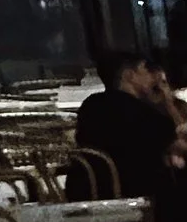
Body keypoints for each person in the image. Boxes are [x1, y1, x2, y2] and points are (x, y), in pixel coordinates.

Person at [73, 48, 179, 199]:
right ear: (130, 76)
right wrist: (167, 101)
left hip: (89, 189)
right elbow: (177, 142)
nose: (153, 78)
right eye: (147, 71)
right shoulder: (139, 111)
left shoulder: (90, 105)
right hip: (134, 192)